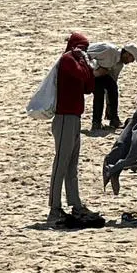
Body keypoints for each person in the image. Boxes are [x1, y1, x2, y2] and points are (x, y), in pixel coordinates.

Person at [48, 33, 94, 227]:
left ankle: (75, 203)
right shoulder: (67, 59)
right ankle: (54, 207)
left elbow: (89, 86)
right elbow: (81, 74)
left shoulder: (78, 60)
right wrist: (84, 62)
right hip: (65, 116)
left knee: (72, 166)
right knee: (60, 164)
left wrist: (86, 63)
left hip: (75, 117)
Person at [86, 42, 137, 131]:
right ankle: (96, 122)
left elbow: (113, 81)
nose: (132, 61)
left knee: (113, 88)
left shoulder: (119, 64)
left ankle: (113, 119)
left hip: (100, 75)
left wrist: (109, 108)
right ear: (127, 54)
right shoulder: (109, 51)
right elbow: (86, 55)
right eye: (132, 58)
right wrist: (94, 71)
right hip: (91, 72)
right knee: (99, 92)